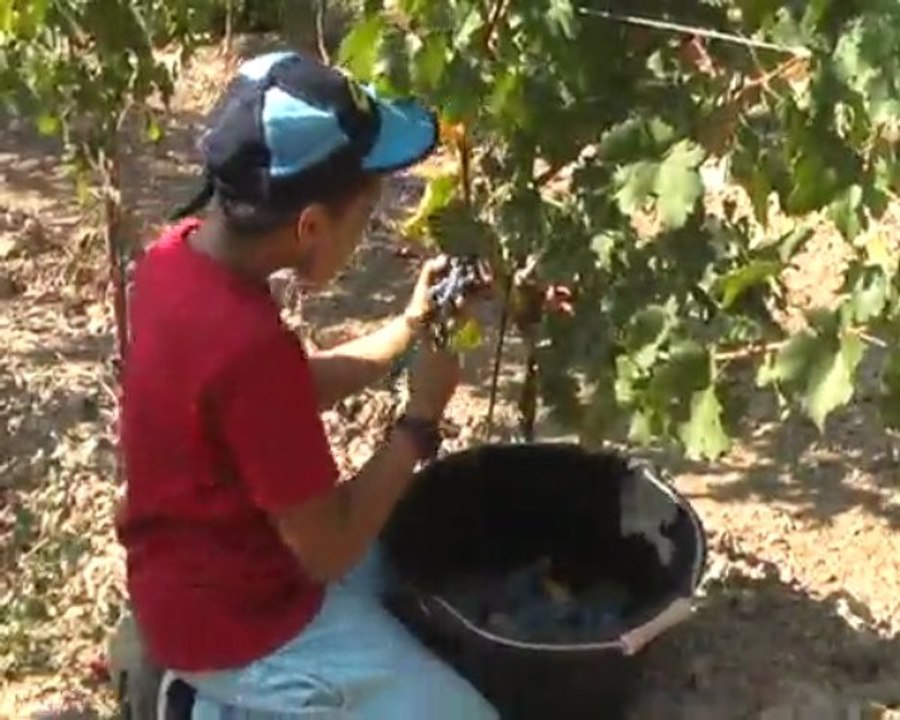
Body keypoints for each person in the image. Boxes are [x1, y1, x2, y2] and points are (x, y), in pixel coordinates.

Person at [115, 50, 499, 720]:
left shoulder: (173, 260)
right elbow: (328, 550)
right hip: (241, 629)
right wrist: (420, 419)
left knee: (405, 585)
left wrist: (407, 329)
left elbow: (276, 398)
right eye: (368, 214)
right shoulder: (247, 347)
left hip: (195, 579)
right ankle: (216, 699)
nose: (370, 229)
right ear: (312, 225)